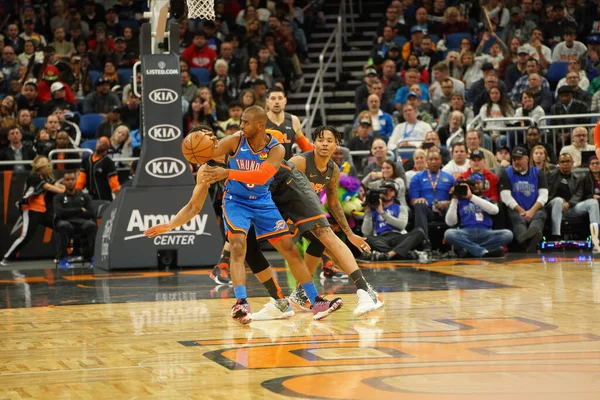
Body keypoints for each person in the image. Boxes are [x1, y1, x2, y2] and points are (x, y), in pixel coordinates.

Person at [145, 109, 343, 324]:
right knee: (240, 246)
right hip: (236, 203)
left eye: (210, 135)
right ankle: (242, 302)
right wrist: (171, 224)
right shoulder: (208, 167)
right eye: (203, 138)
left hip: (267, 198)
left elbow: (262, 176)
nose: (210, 139)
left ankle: (315, 301)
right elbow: (194, 206)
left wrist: (228, 173)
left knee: (290, 249)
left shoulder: (251, 144)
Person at [1, 156, 65, 266]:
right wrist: (64, 192)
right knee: (26, 236)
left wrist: (64, 187)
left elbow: (56, 184)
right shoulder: (33, 176)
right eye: (45, 165)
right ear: (39, 166)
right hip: (31, 210)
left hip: (44, 211)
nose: (47, 167)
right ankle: (6, 258)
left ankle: (61, 257)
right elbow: (48, 187)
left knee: (61, 227)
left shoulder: (45, 176)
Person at [444, 173, 513, 257]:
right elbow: (450, 223)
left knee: (508, 234)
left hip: (486, 233)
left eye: (478, 183)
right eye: (473, 183)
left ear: (484, 184)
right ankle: (483, 252)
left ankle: (471, 250)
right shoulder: (459, 202)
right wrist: (454, 198)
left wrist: (471, 197)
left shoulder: (488, 201)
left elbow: (495, 210)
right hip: (466, 233)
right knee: (449, 234)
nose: (476, 185)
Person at [498, 146, 548, 252]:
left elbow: (544, 195)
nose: (516, 162)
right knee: (517, 219)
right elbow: (505, 196)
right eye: (514, 159)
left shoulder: (538, 173)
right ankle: (531, 239)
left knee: (540, 215)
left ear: (527, 159)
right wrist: (521, 211)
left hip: (534, 207)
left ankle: (527, 239)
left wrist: (531, 211)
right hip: (515, 208)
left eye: (519, 159)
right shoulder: (506, 173)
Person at [362, 180, 427, 261]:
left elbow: (401, 225)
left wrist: (382, 213)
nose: (387, 192)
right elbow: (366, 232)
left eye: (391, 190)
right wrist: (367, 212)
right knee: (365, 239)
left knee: (419, 232)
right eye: (385, 190)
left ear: (395, 193)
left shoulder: (401, 208)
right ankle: (403, 253)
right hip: (381, 238)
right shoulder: (373, 208)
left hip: (398, 236)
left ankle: (388, 254)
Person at [546, 153, 600, 241]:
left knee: (593, 202)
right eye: (562, 162)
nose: (565, 164)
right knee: (558, 200)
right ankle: (556, 236)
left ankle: (596, 237)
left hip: (570, 208)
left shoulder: (579, 177)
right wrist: (556, 201)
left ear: (572, 163)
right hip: (552, 207)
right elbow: (545, 193)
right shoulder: (550, 175)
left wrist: (569, 204)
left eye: (567, 161)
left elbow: (579, 194)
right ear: (558, 164)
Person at [409, 150, 455, 249]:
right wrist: (418, 200)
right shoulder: (417, 178)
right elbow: (413, 200)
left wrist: (448, 202)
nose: (433, 162)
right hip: (427, 211)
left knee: (454, 206)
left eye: (436, 159)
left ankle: (456, 244)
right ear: (426, 161)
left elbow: (456, 198)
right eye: (431, 159)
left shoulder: (450, 178)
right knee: (419, 205)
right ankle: (424, 241)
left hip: (445, 210)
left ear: (441, 161)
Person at [53, 171, 97, 269]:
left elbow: (91, 213)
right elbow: (60, 213)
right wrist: (79, 210)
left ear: (76, 180)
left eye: (72, 179)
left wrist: (68, 212)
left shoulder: (85, 196)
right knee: (63, 225)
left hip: (82, 224)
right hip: (67, 224)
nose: (70, 182)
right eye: (67, 180)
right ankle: (63, 260)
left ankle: (93, 258)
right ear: (63, 182)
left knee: (91, 225)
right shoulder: (58, 197)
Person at [265, 87, 313, 159]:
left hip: (288, 167)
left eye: (280, 98)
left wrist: (318, 156)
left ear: (285, 100)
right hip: (266, 166)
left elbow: (306, 147)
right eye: (273, 98)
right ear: (267, 101)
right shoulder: (261, 120)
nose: (277, 102)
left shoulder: (293, 120)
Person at [76, 137, 120, 201]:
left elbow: (114, 182)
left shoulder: (108, 162)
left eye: (104, 143)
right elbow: (81, 178)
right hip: (90, 195)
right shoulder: (86, 160)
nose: (101, 144)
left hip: (104, 196)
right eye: (100, 142)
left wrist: (118, 198)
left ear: (107, 148)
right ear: (96, 144)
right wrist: (77, 191)